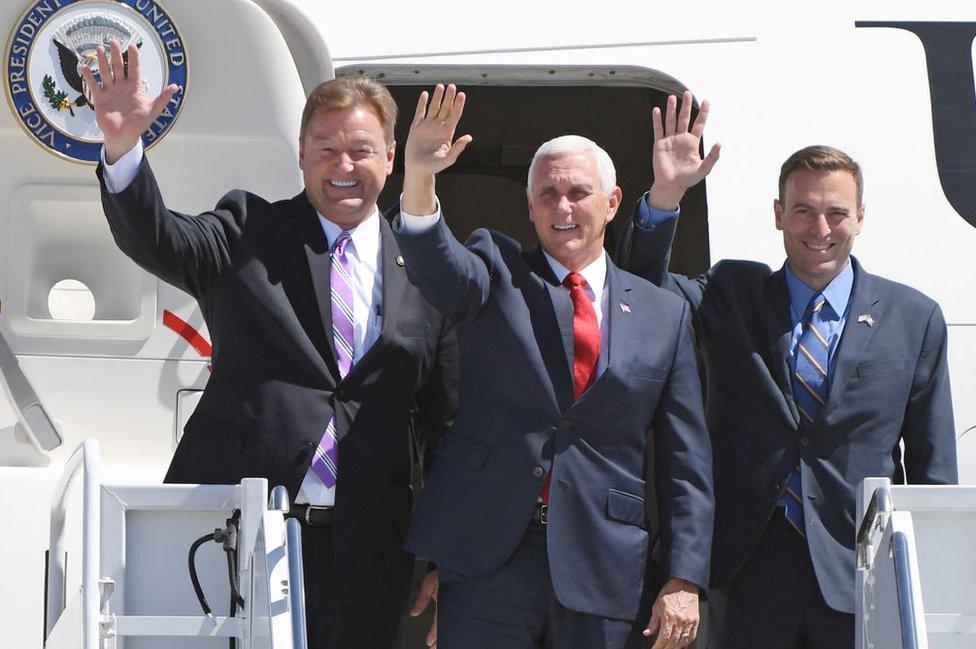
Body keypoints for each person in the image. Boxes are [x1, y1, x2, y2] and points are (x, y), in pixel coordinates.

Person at [84, 41, 458, 649]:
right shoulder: (248, 230)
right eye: (327, 149)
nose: (344, 164)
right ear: (303, 158)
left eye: (361, 150)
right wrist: (124, 149)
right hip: (237, 536)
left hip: (367, 553)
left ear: (391, 158)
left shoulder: (428, 268)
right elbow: (159, 238)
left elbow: (445, 422)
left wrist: (447, 557)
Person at [618, 92, 958, 648]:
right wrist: (667, 194)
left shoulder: (913, 317)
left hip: (860, 571)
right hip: (746, 570)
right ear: (778, 214)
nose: (818, 227)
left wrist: (931, 589)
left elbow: (932, 464)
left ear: (861, 218)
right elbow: (637, 290)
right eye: (802, 209)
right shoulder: (734, 293)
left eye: (835, 212)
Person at [394, 84, 714, 649]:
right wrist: (420, 178)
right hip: (490, 557)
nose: (562, 208)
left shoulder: (665, 313)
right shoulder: (495, 268)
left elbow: (685, 461)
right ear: (529, 205)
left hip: (601, 561)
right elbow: (438, 266)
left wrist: (684, 577)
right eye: (547, 194)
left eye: (578, 192)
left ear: (612, 203)